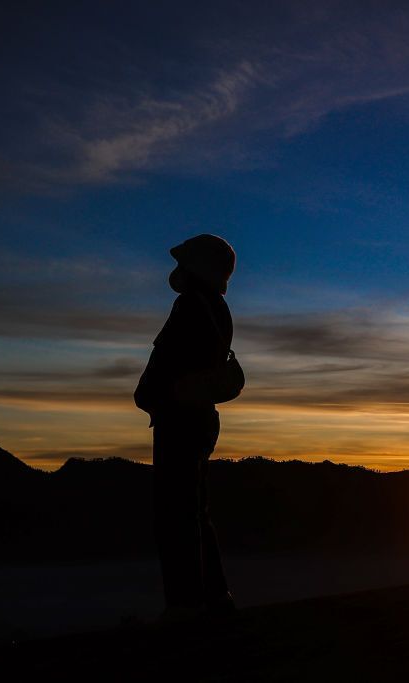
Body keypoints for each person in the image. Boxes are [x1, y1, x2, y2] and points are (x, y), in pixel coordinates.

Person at [134, 234, 239, 618]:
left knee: (176, 514)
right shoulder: (213, 307)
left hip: (182, 420)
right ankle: (212, 598)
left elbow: (173, 361)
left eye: (184, 264)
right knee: (193, 511)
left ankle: (186, 606)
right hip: (195, 417)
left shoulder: (192, 306)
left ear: (197, 269)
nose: (176, 272)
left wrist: (157, 393)